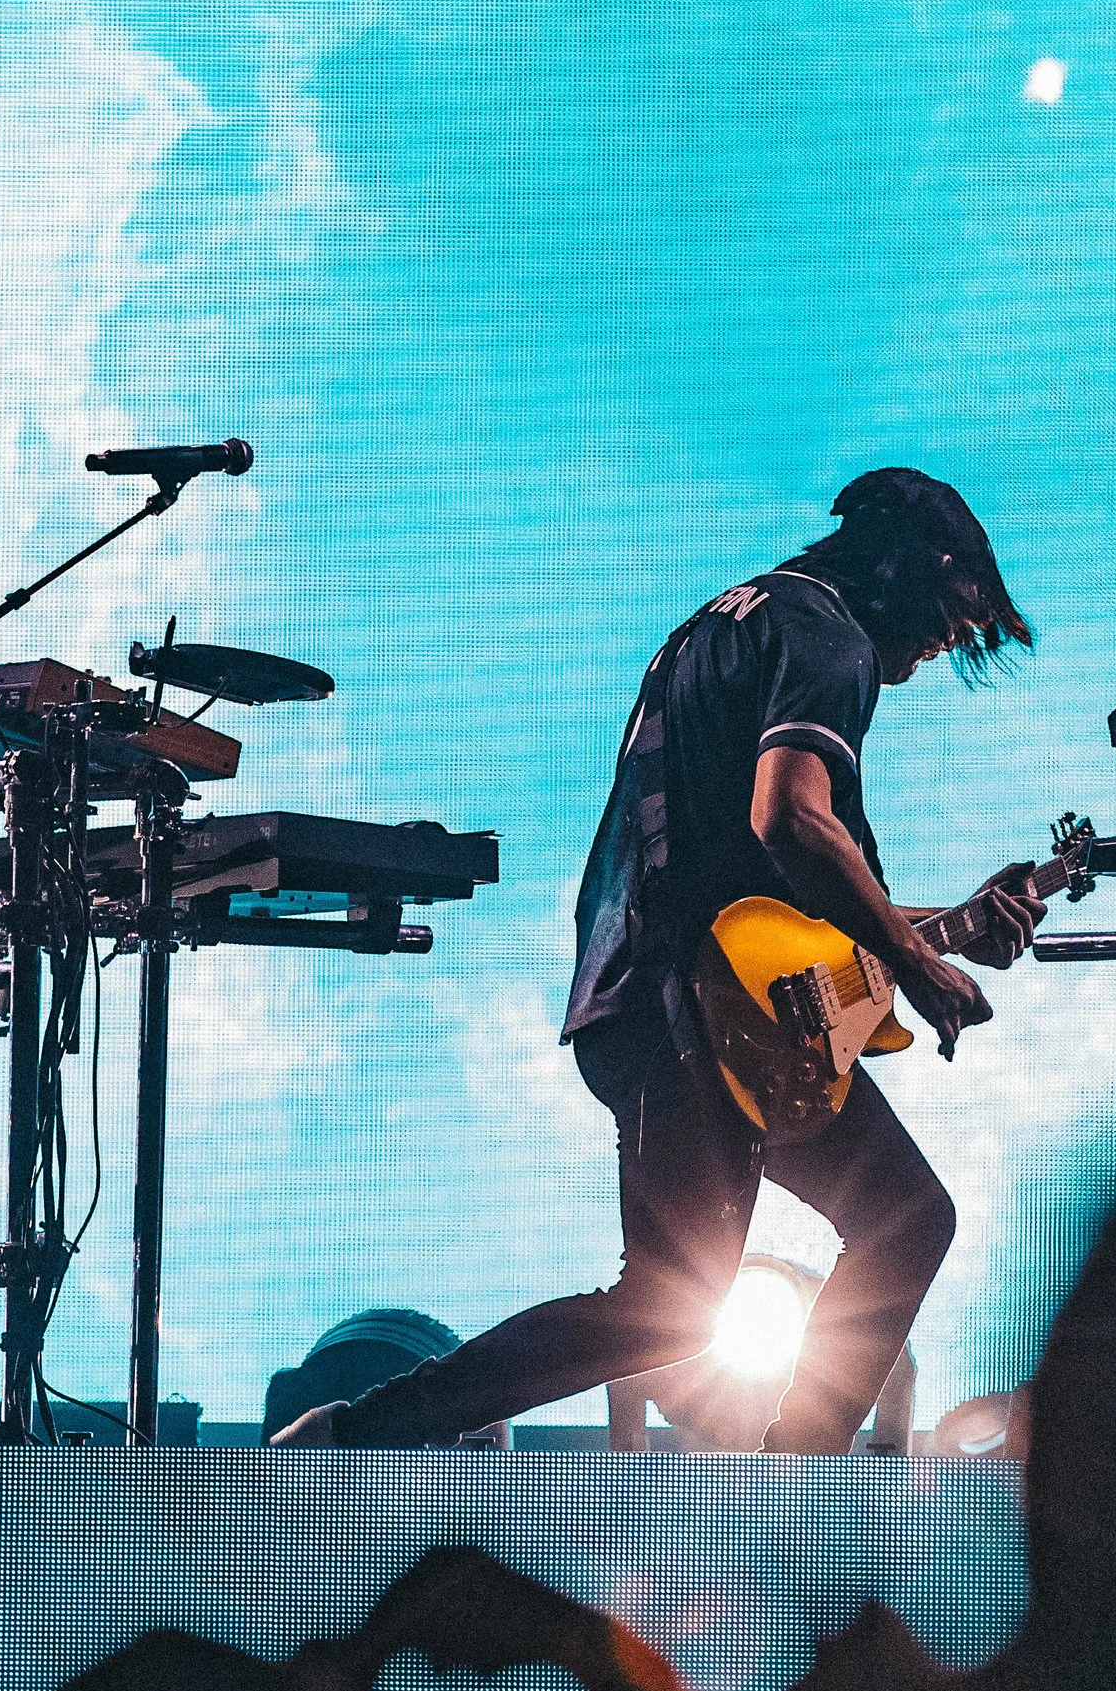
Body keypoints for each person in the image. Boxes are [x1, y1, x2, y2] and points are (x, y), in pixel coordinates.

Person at [276, 468, 1039, 1451]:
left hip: (655, 996)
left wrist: (952, 926)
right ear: (910, 569)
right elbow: (792, 820)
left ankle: (358, 1433)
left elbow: (759, 874)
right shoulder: (828, 638)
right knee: (884, 1229)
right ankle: (790, 1479)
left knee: (678, 1301)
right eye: (950, 612)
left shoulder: (728, 624)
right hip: (704, 1013)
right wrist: (917, 962)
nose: (943, 643)